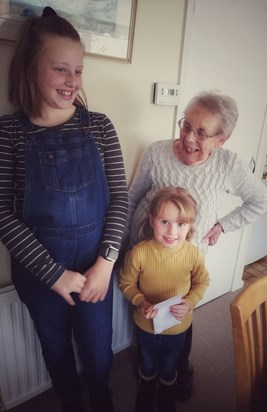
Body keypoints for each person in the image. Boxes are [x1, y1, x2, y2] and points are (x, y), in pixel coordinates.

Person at [0, 7, 128, 412]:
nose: (72, 81)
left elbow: (120, 198)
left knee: (97, 349)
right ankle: (70, 401)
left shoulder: (101, 126)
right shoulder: (8, 134)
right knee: (53, 347)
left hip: (95, 265)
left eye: (79, 70)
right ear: (30, 68)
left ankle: (101, 394)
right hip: (41, 274)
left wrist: (106, 263)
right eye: (60, 69)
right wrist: (54, 275)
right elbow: (2, 214)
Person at [123, 90, 267, 401]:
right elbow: (132, 198)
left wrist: (223, 225)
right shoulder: (156, 151)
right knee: (142, 313)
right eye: (186, 125)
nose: (189, 138)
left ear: (221, 140)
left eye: (202, 132)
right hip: (143, 255)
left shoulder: (229, 165)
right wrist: (121, 245)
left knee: (181, 315)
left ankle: (178, 370)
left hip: (185, 263)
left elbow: (260, 199)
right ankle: (147, 370)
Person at [119, 186, 210, 412]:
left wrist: (189, 302)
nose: (172, 231)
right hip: (146, 326)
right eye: (164, 222)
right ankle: (147, 387)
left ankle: (166, 391)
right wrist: (140, 301)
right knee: (147, 362)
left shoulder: (193, 254)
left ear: (189, 226)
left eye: (180, 224)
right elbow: (126, 283)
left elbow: (202, 282)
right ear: (151, 220)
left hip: (178, 327)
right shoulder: (139, 253)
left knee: (170, 365)